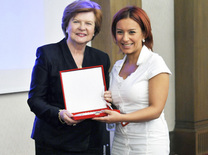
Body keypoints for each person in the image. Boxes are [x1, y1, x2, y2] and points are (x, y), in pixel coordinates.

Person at [27, 1, 112, 154]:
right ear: (66, 25)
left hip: (91, 140)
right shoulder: (47, 54)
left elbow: (105, 97)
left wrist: (108, 98)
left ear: (95, 29)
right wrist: (59, 114)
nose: (82, 27)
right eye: (76, 21)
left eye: (88, 23)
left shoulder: (101, 58)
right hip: (54, 141)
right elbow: (35, 100)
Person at [93, 6, 171, 154]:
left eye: (132, 32)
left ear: (144, 34)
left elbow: (156, 110)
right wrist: (108, 99)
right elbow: (121, 102)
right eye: (120, 32)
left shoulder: (155, 63)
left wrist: (121, 117)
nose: (125, 38)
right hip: (120, 141)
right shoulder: (116, 67)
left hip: (149, 142)